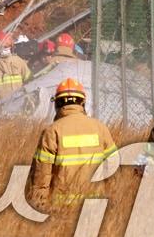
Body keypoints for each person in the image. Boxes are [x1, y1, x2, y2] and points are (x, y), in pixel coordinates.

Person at [26, 78, 117, 210]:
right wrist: (113, 199)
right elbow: (113, 167)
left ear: (57, 103)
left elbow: (41, 174)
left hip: (61, 207)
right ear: (83, 103)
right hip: (95, 205)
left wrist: (39, 205)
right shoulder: (100, 128)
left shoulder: (52, 131)